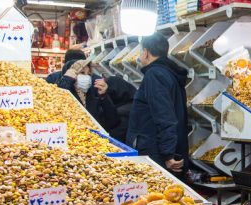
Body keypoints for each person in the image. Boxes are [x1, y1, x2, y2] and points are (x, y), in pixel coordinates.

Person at [127, 33, 189, 175]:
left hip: (154, 151)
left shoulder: (154, 75)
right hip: (165, 147)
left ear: (146, 52)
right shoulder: (169, 73)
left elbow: (164, 115)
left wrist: (167, 154)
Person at [57, 60, 119, 134]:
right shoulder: (62, 90)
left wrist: (104, 96)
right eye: (82, 73)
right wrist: (66, 81)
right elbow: (58, 106)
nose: (86, 77)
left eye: (89, 74)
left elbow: (113, 122)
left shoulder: (94, 94)